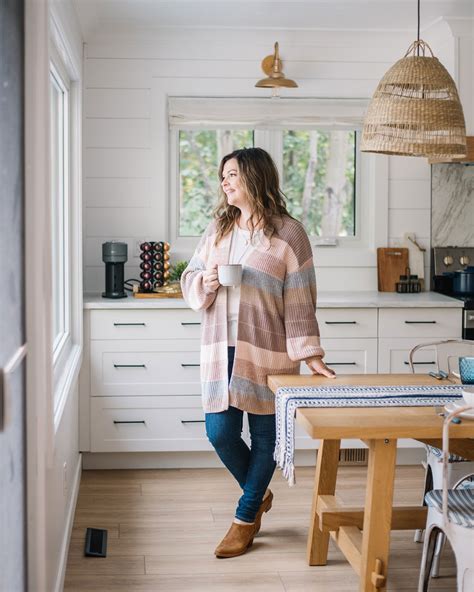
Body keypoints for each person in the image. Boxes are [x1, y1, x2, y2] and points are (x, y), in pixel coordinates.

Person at [181, 147, 335, 559]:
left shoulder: (289, 234)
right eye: (223, 176)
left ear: (254, 177)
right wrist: (208, 280)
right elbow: (190, 277)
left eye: (232, 174)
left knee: (267, 436)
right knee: (220, 433)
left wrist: (310, 354)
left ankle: (245, 518)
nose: (224, 182)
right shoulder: (218, 230)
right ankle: (259, 492)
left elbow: (301, 299)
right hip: (220, 349)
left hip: (269, 349)